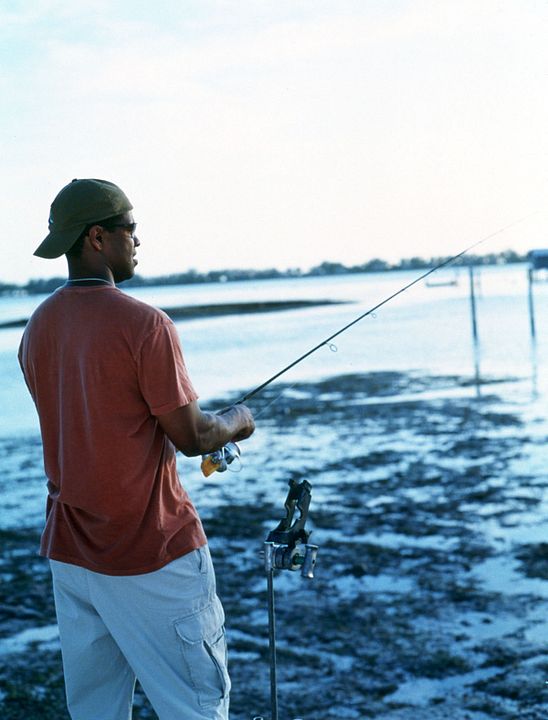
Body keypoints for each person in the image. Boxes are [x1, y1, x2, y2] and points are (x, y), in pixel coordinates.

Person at [18, 178, 255, 720]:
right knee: (196, 708)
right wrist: (239, 420)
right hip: (153, 555)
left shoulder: (37, 329)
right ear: (97, 237)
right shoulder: (146, 325)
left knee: (96, 713)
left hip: (72, 555)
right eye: (130, 229)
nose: (137, 241)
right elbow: (193, 437)